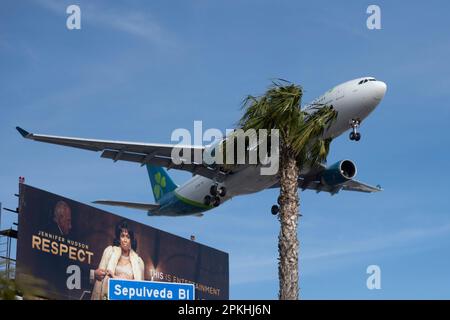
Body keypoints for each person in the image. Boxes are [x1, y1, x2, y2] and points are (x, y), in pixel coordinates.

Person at [91, 220, 145, 300]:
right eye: (122, 236)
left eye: (128, 237)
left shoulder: (139, 262)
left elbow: (141, 290)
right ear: (119, 238)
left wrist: (116, 277)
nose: (125, 240)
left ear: (131, 239)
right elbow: (99, 281)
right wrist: (95, 274)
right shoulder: (110, 252)